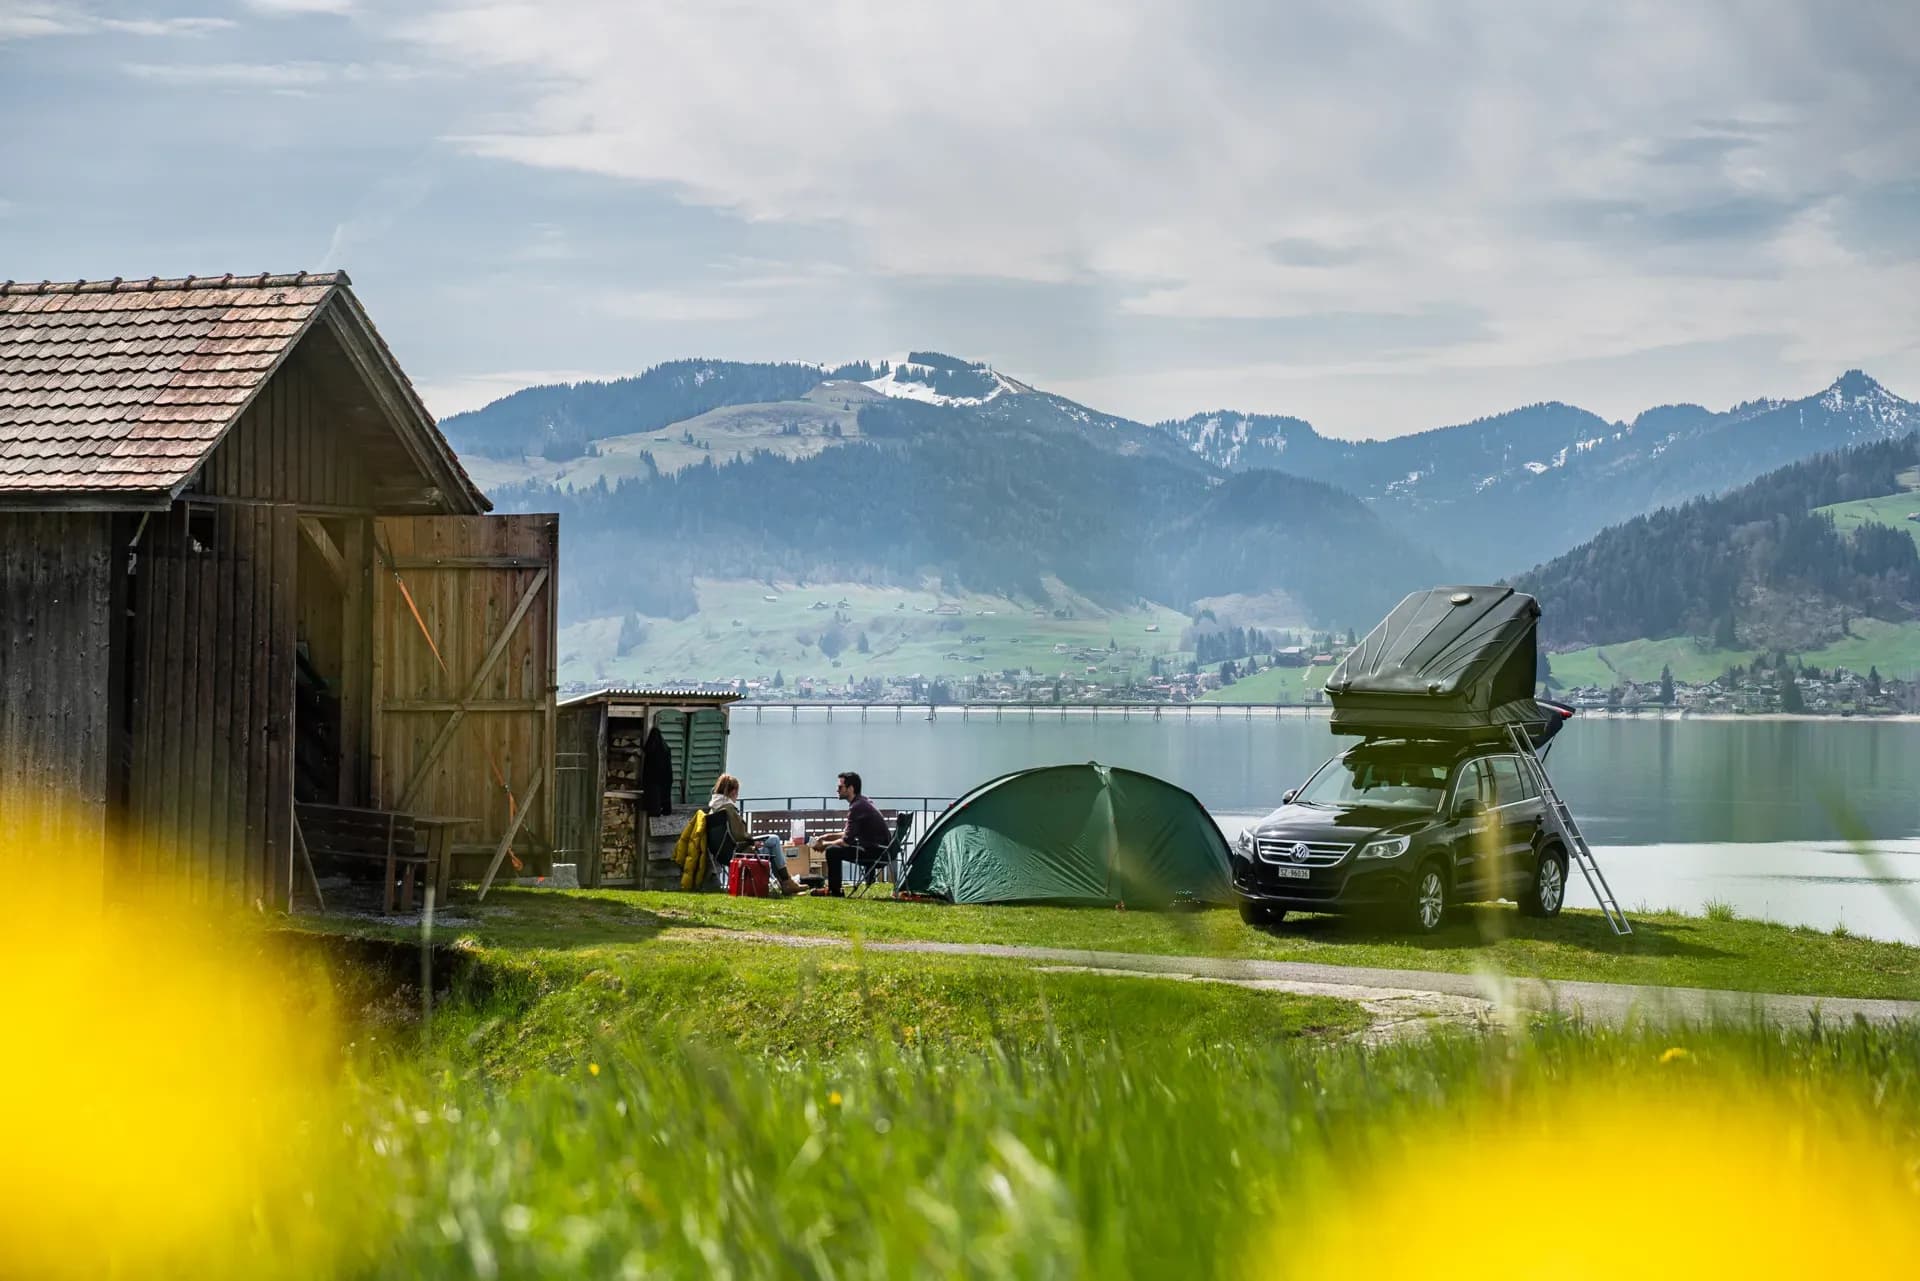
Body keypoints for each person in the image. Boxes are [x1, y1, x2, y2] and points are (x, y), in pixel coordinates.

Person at [707, 774, 807, 897]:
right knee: (774, 840)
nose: (737, 796)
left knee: (771, 848)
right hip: (739, 852)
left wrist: (750, 842)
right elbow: (739, 834)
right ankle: (787, 882)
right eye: (737, 792)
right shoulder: (728, 809)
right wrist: (752, 842)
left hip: (722, 855)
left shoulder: (714, 809)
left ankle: (786, 884)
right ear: (733, 792)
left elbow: (731, 836)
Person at [810, 770, 891, 896]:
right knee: (834, 848)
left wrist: (824, 845)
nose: (837, 790)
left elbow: (846, 842)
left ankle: (834, 891)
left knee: (832, 851)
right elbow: (849, 834)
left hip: (875, 853)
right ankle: (833, 889)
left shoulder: (857, 807)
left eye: (840, 787)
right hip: (883, 850)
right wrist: (826, 837)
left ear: (850, 788)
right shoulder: (862, 801)